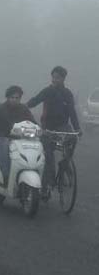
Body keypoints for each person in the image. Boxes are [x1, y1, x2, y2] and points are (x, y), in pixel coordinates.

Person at [26, 66, 81, 196]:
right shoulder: (47, 91)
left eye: (57, 77)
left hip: (62, 126)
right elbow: (34, 101)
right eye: (53, 77)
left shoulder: (68, 94)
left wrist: (77, 128)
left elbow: (72, 112)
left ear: (63, 78)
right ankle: (46, 186)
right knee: (48, 155)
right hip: (48, 127)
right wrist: (23, 106)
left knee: (73, 138)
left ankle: (65, 163)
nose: (54, 80)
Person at [0, 85, 36, 184]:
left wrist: (37, 129)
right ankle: (5, 175)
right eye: (12, 97)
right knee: (5, 145)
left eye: (17, 98)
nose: (15, 100)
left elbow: (32, 121)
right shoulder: (1, 109)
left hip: (20, 137)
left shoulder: (24, 108)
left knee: (35, 145)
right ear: (8, 98)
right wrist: (2, 134)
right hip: (3, 137)